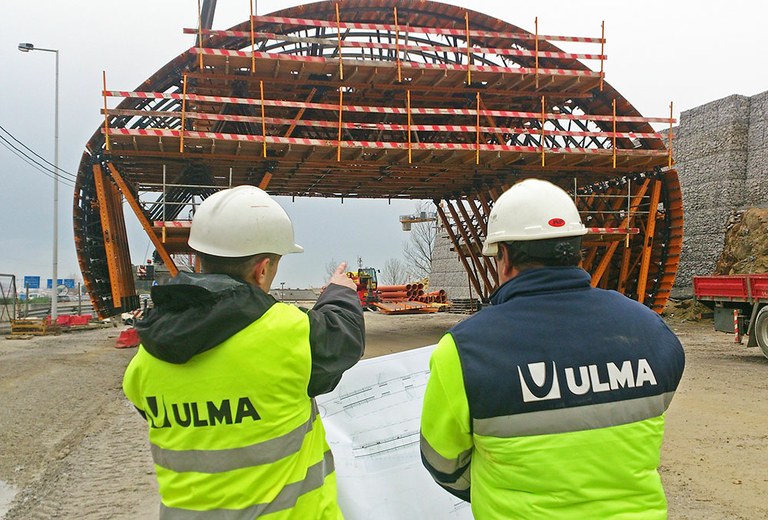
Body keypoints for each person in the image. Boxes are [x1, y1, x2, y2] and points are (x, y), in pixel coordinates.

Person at [420, 178, 685, 519]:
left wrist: (498, 483)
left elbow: (443, 462)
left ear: (503, 257)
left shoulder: (465, 351)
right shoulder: (651, 331)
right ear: (577, 250)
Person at [123, 185, 365, 519]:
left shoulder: (147, 359)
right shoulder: (286, 334)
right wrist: (340, 292)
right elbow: (345, 338)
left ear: (198, 258)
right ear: (262, 269)